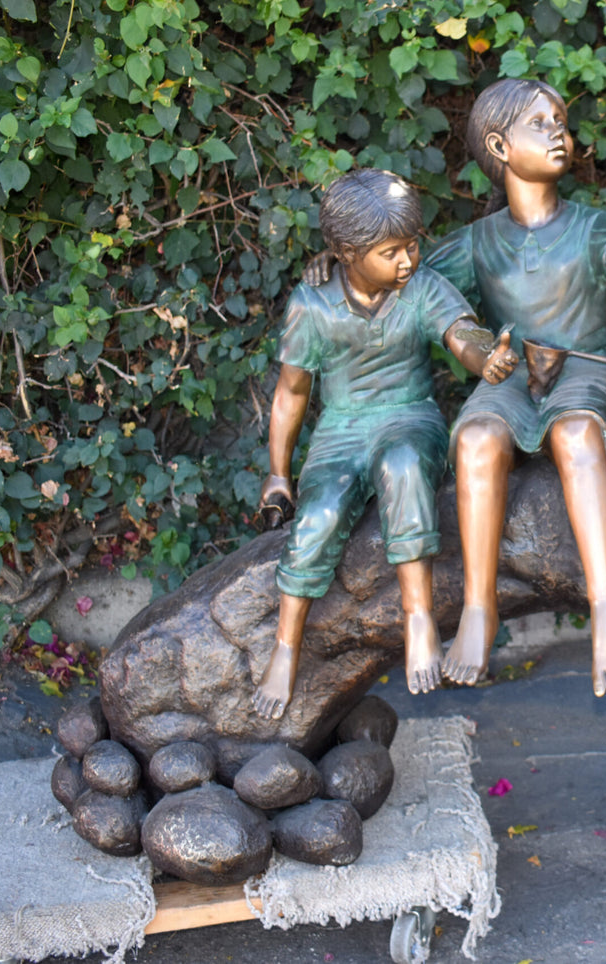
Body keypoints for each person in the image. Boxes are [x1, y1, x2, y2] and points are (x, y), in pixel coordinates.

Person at [428, 76, 606, 697]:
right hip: (513, 375)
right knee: (474, 440)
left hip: (586, 369)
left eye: (561, 122)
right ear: (498, 145)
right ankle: (477, 609)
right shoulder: (479, 241)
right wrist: (338, 261)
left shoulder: (590, 227)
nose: (558, 134)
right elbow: (411, 286)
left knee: (576, 432)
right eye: (539, 123)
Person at [252, 168, 518, 721]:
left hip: (409, 416)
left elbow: (458, 330)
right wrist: (278, 474)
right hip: (342, 428)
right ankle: (285, 644)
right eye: (391, 251)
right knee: (320, 512)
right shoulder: (313, 305)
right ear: (346, 253)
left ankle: (418, 618)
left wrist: (485, 356)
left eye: (412, 246)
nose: (407, 260)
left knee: (402, 466)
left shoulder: (419, 289)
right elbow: (291, 394)